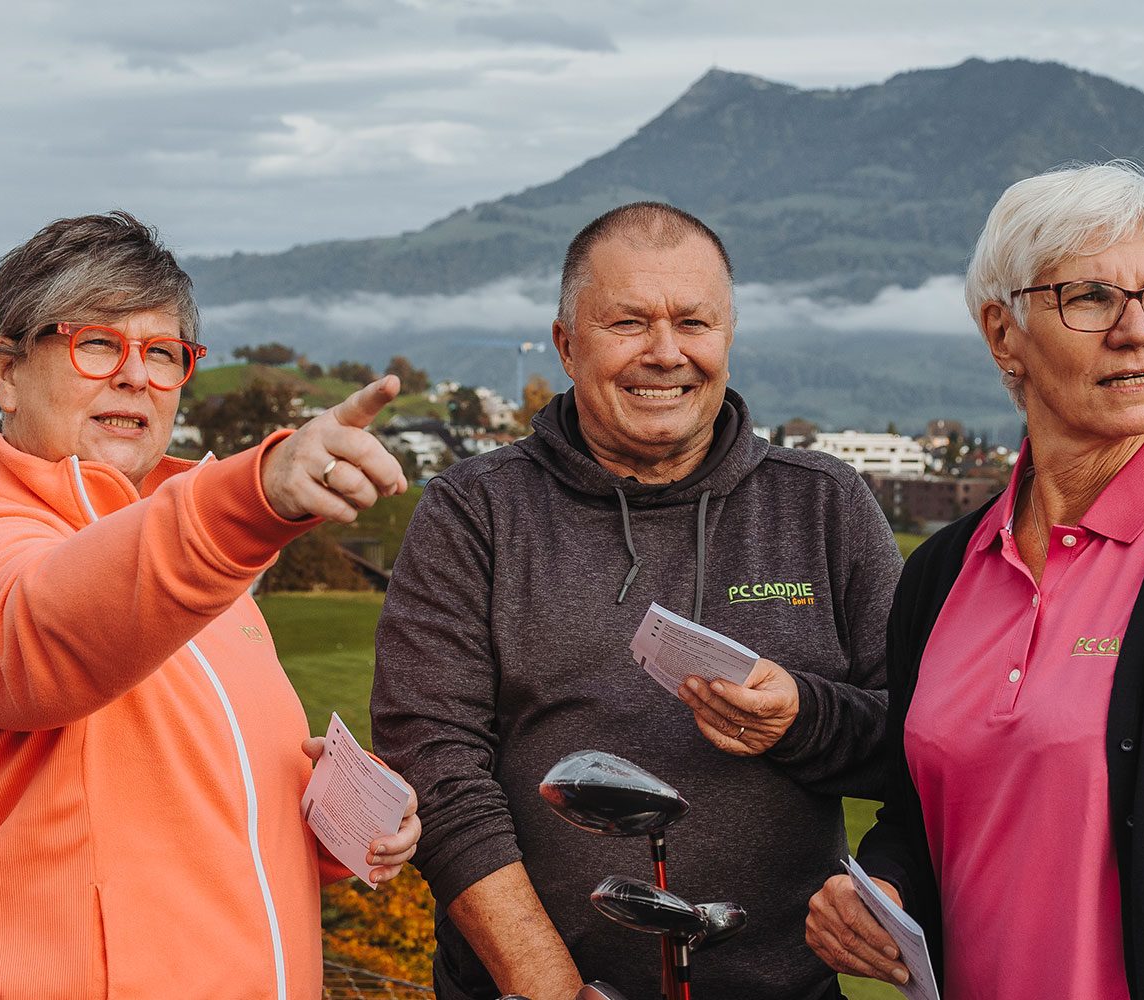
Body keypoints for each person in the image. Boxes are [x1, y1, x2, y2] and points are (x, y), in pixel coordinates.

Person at [805, 161, 1144, 999]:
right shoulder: (941, 573)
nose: (1138, 331)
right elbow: (916, 817)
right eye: (1091, 296)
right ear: (1003, 333)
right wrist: (882, 893)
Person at [0, 212, 423, 999]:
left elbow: (200, 817)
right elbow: (54, 628)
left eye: (163, 353)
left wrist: (346, 820)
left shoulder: (211, 579)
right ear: (7, 372)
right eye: (97, 343)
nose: (135, 376)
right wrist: (253, 498)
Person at [374, 202, 902, 999]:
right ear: (566, 345)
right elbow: (434, 763)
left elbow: (919, 745)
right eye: (628, 323)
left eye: (693, 322)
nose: (665, 352)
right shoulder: (474, 511)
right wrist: (547, 985)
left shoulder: (826, 505)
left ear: (728, 336)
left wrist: (802, 719)